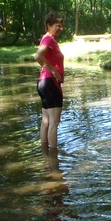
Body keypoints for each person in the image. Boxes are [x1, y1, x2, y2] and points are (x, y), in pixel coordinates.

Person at [34, 12, 65, 149]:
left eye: (61, 26)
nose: (61, 28)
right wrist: (53, 70)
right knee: (54, 122)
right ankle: (54, 159)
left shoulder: (46, 39)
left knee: (46, 121)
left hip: (43, 83)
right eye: (58, 26)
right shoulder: (48, 39)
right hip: (50, 82)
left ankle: (45, 153)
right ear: (49, 25)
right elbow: (38, 56)